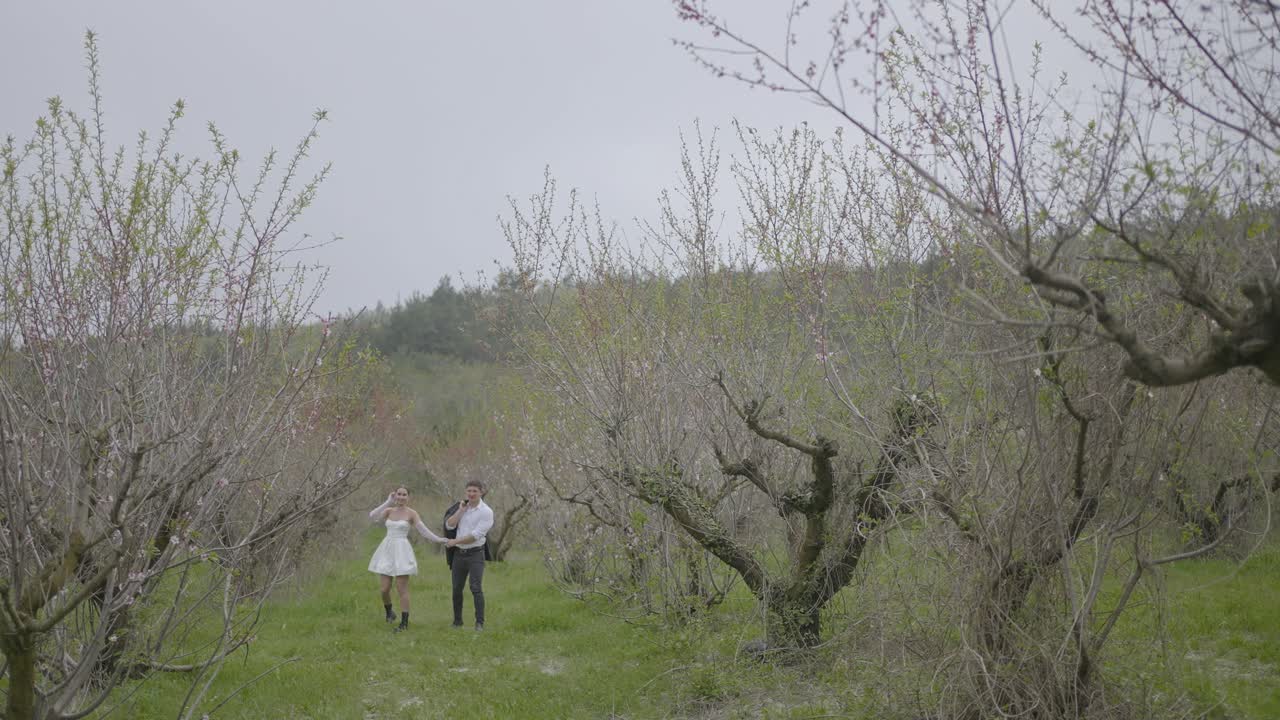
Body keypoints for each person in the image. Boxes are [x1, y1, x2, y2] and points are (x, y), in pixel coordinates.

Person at [368, 487, 445, 632]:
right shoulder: (389, 511)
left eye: (404, 495)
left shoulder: (412, 513)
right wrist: (387, 501)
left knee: (401, 588)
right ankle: (390, 612)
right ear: (395, 495)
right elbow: (372, 516)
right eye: (399, 494)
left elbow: (423, 531)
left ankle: (404, 623)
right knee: (384, 589)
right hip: (387, 550)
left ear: (408, 497)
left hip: (402, 550)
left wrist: (439, 539)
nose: (401, 497)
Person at [444, 480, 494, 630]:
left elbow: (476, 535)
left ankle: (479, 623)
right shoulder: (461, 507)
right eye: (469, 491)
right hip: (459, 555)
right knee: (456, 589)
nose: (471, 494)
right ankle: (457, 622)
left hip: (475, 555)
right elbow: (449, 524)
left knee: (475, 587)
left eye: (475, 491)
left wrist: (454, 541)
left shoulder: (486, 511)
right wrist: (460, 511)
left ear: (481, 492)